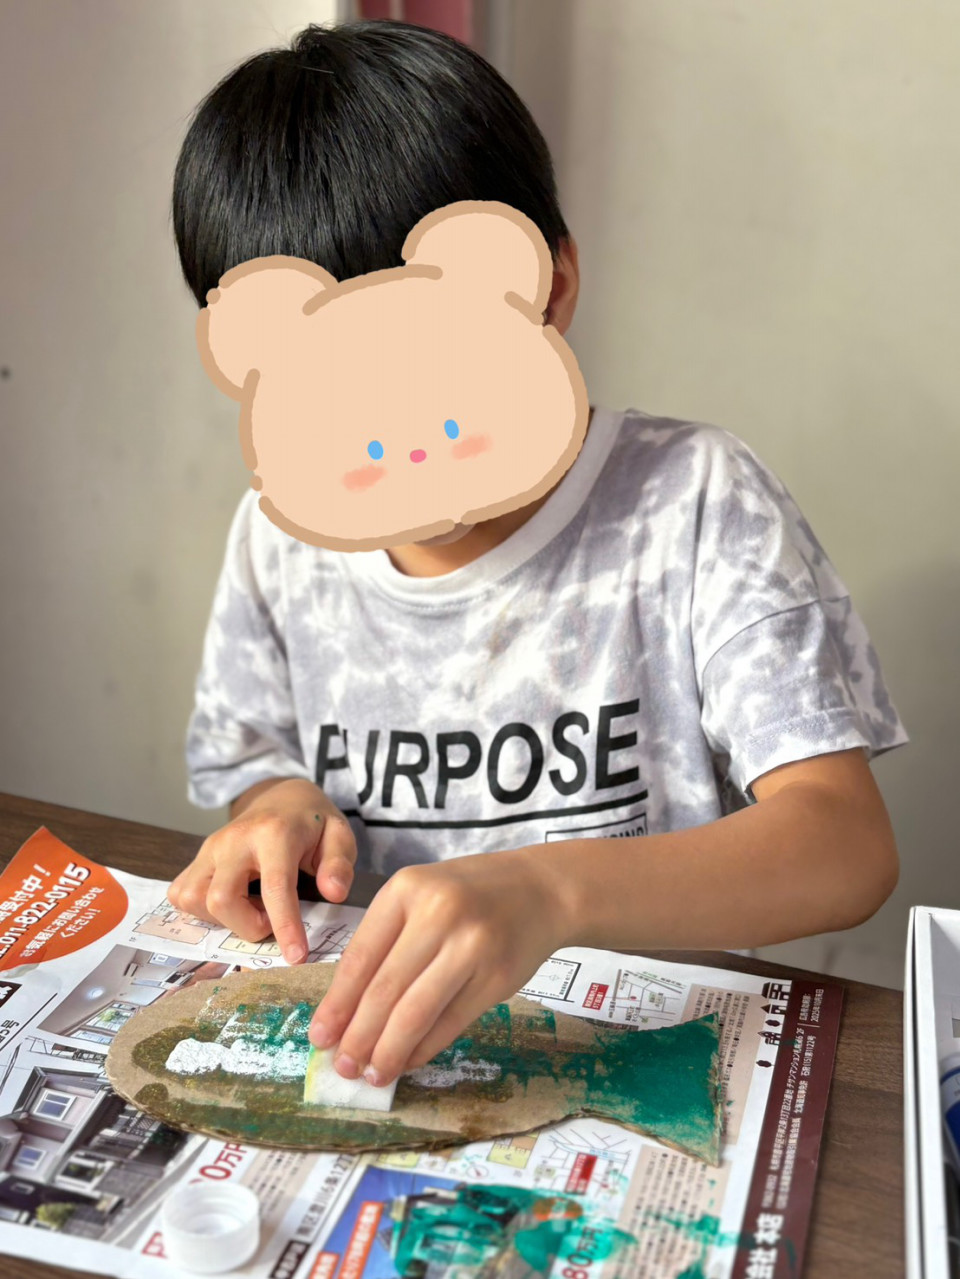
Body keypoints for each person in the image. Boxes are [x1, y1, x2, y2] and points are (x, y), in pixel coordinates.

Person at [168, 20, 906, 1092]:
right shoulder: (278, 538)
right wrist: (278, 806)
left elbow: (845, 847)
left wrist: (550, 892)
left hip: (642, 1051)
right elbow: (256, 764)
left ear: (545, 290)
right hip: (382, 1055)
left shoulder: (692, 500)